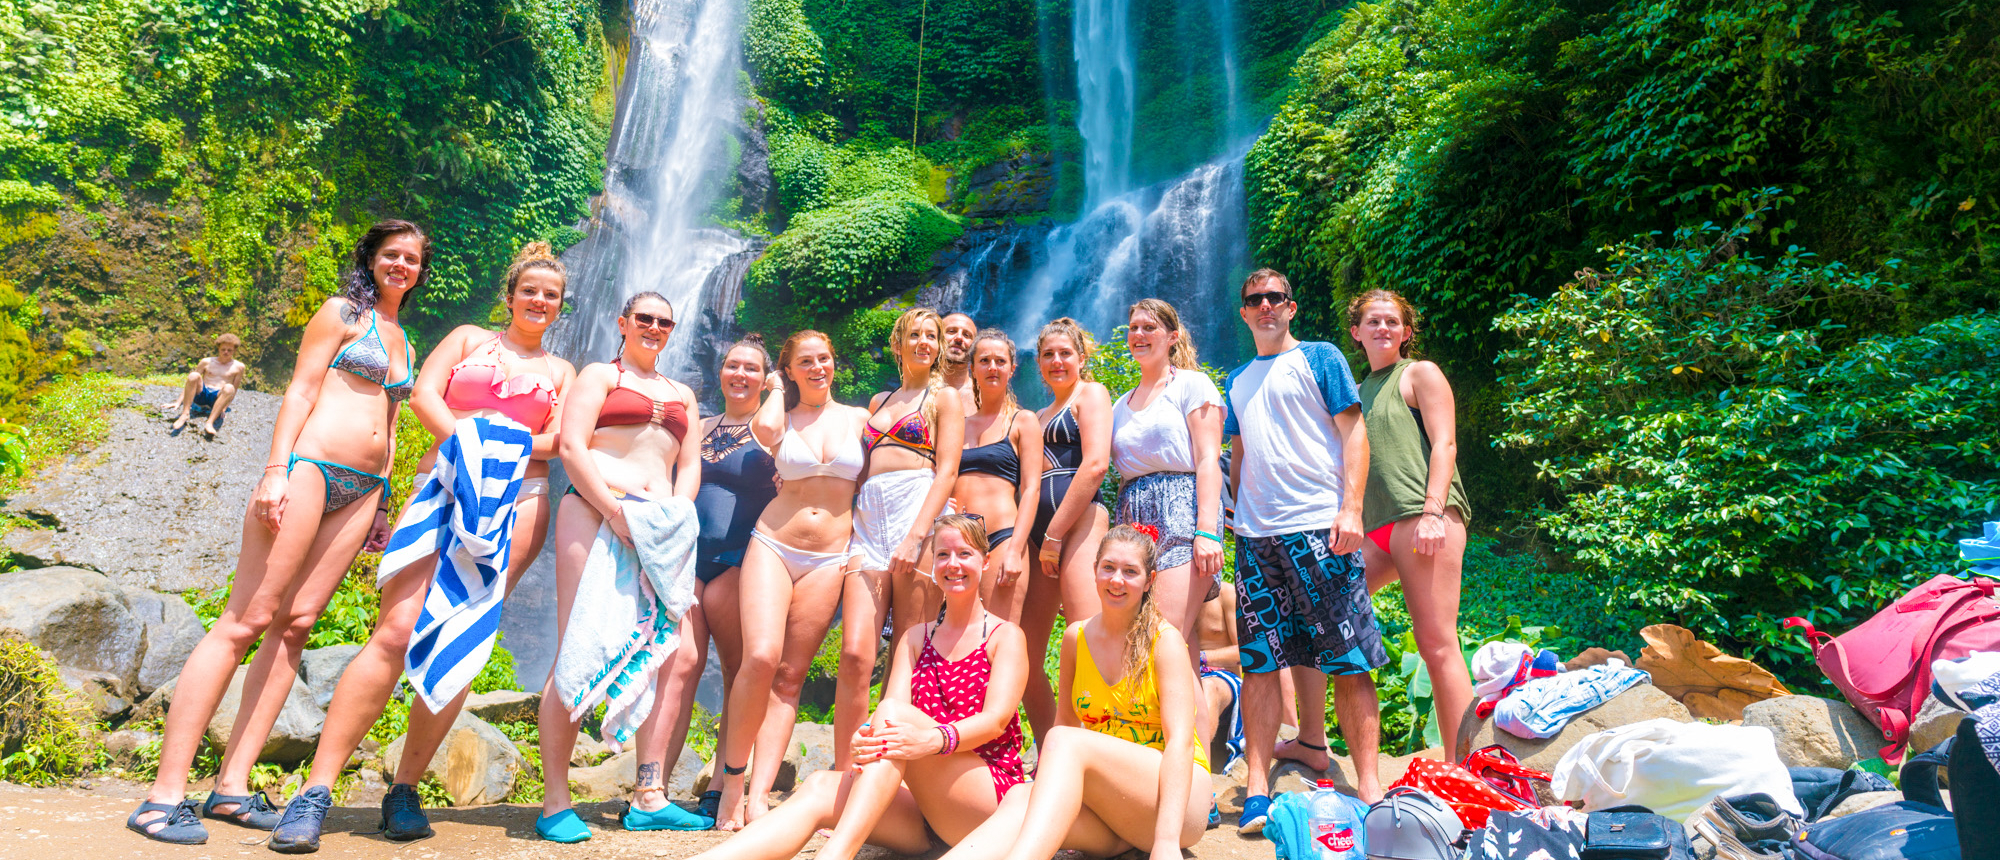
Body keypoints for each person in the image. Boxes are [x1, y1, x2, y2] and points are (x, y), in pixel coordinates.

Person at [268, 242, 576, 852]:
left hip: (521, 504)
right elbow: (425, 395)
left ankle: (404, 789)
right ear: (509, 295)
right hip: (442, 482)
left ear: (560, 307)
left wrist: (497, 447)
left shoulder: (561, 372)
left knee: (464, 634)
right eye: (530, 290)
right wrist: (476, 441)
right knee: (394, 630)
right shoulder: (466, 340)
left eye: (552, 295)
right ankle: (316, 790)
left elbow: (561, 439)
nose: (539, 301)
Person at [128, 220, 424, 846]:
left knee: (295, 626)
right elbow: (301, 388)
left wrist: (381, 499)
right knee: (246, 618)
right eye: (391, 255)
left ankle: (231, 787)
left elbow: (393, 421)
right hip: (311, 467)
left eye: (412, 259)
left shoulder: (404, 339)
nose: (401, 265)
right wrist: (275, 472)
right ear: (371, 259)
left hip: (363, 488)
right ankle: (163, 797)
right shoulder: (343, 313)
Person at [687, 514, 1029, 860]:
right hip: (926, 815)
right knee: (821, 785)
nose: (952, 564)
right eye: (942, 555)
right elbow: (888, 714)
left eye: (964, 554)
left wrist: (929, 740)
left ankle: (836, 854)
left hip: (988, 805)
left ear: (985, 561)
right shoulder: (915, 638)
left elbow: (995, 721)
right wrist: (865, 735)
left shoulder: (1005, 638)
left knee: (895, 716)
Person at [533, 291, 706, 842]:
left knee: (663, 654)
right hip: (595, 512)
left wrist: (680, 515)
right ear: (624, 323)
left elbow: (690, 462)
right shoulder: (599, 376)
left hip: (663, 527)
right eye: (644, 319)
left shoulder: (683, 393)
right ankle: (555, 802)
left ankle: (649, 795)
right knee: (576, 645)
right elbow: (572, 446)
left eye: (664, 322)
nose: (654, 328)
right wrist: (613, 509)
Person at [938, 525, 1211, 860]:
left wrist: (1166, 842)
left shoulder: (1164, 641)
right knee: (1019, 798)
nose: (1116, 580)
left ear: (1149, 581)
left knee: (1064, 740)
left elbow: (1181, 743)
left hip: (1177, 804)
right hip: (1115, 810)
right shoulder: (1075, 638)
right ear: (1094, 570)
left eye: (1130, 572)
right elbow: (1065, 721)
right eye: (1108, 567)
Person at [1225, 268, 1387, 832]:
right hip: (1255, 538)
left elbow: (1354, 433)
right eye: (1255, 300)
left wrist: (1352, 509)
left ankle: (1368, 787)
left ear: (1290, 308)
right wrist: (1231, 516)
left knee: (1350, 656)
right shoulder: (1237, 379)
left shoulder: (1320, 358)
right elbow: (1240, 452)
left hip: (1320, 526)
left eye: (1275, 298)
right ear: (1244, 313)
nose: (1265, 306)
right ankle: (1258, 788)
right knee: (1261, 662)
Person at [710, 330, 870, 830]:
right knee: (759, 657)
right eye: (806, 361)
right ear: (790, 368)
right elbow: (764, 430)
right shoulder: (780, 416)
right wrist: (777, 387)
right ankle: (731, 784)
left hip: (830, 557)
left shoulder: (861, 418)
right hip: (774, 543)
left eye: (825, 358)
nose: (818, 367)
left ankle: (758, 795)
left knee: (790, 676)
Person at [1349, 289, 1474, 760]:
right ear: (1357, 332)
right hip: (1375, 528)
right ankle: (1312, 740)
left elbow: (1445, 444)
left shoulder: (1419, 373)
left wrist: (1432, 512)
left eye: (1392, 322)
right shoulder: (1358, 391)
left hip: (1423, 518)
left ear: (1406, 332)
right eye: (1373, 321)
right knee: (1325, 608)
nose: (1383, 328)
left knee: (1437, 644)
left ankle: (1465, 766)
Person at [838, 308, 964, 773]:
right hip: (868, 521)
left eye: (932, 336)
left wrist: (916, 537)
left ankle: (895, 774)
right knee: (855, 654)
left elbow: (947, 470)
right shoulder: (878, 400)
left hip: (917, 512)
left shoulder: (944, 397)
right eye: (916, 334)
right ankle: (844, 774)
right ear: (899, 342)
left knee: (907, 652)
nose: (925, 342)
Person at [661, 334, 780, 822]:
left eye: (752, 368)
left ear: (764, 378)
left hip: (739, 560)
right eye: (733, 365)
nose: (740, 375)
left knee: (737, 672)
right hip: (687, 560)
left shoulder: (771, 429)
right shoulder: (701, 424)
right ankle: (654, 787)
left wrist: (778, 390)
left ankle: (718, 781)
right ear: (720, 371)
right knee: (679, 668)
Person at [1108, 298, 1225, 751]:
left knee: (1162, 641)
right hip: (1134, 521)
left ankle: (1187, 769)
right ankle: (1192, 768)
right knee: (1182, 652)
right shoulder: (1121, 403)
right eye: (1133, 326)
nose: (1139, 334)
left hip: (1181, 513)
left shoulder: (1191, 385)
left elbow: (1208, 460)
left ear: (1172, 337)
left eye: (1149, 327)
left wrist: (1208, 530)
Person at [1024, 317, 1111, 741]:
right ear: (1038, 362)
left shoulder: (1090, 394)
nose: (1057, 361)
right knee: (1022, 654)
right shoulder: (1037, 415)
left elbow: (1095, 465)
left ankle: (1099, 747)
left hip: (1076, 526)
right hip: (1038, 539)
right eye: (1048, 355)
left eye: (1065, 353)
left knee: (1086, 637)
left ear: (1081, 357)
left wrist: (1055, 536)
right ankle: (1053, 750)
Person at [951, 330, 1043, 621]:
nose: (992, 367)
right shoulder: (956, 425)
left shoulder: (1023, 421)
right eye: (985, 360)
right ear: (972, 368)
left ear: (1012, 369)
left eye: (1000, 361)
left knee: (999, 635)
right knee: (954, 635)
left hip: (1002, 539)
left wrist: (1015, 549)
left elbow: (1031, 490)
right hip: (955, 540)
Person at [163, 333, 247, 436]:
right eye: (223, 349)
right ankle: (185, 414)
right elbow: (190, 383)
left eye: (229, 350)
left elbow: (234, 389)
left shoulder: (239, 367)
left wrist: (224, 408)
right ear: (218, 348)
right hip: (201, 394)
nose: (226, 352)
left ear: (234, 350)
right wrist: (178, 402)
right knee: (193, 375)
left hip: (217, 398)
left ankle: (210, 422)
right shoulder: (206, 362)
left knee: (229, 387)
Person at [940, 312, 978, 401]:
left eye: (966, 335)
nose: (959, 337)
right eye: (951, 331)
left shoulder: (984, 397)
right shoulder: (916, 390)